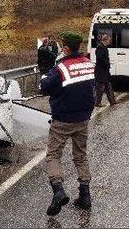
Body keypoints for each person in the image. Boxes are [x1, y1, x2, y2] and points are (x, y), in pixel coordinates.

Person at [40, 31, 95, 215]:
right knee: (80, 155)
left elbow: (45, 88)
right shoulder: (88, 64)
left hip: (62, 119)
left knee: (54, 155)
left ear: (65, 48)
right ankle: (85, 195)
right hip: (83, 119)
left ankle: (58, 191)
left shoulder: (61, 68)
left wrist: (46, 76)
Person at [94, 33, 116, 107]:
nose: (109, 42)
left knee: (108, 86)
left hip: (105, 71)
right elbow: (100, 59)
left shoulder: (104, 47)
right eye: (109, 40)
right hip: (101, 71)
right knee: (100, 88)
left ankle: (112, 101)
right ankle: (97, 102)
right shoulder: (100, 47)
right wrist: (107, 64)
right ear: (105, 40)